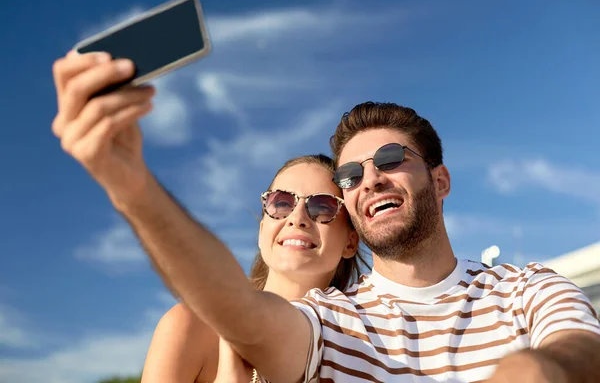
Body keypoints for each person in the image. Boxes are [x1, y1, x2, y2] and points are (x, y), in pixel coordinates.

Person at [51, 51, 600, 383]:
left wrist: (535, 370)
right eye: (350, 177)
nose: (371, 180)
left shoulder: (528, 287)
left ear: (440, 179)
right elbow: (239, 309)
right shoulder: (332, 322)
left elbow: (581, 347)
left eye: (390, 160)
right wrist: (133, 187)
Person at [140, 154, 368, 382]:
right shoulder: (190, 327)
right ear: (262, 231)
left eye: (322, 207)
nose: (297, 218)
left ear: (350, 242)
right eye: (281, 203)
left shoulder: (360, 349)